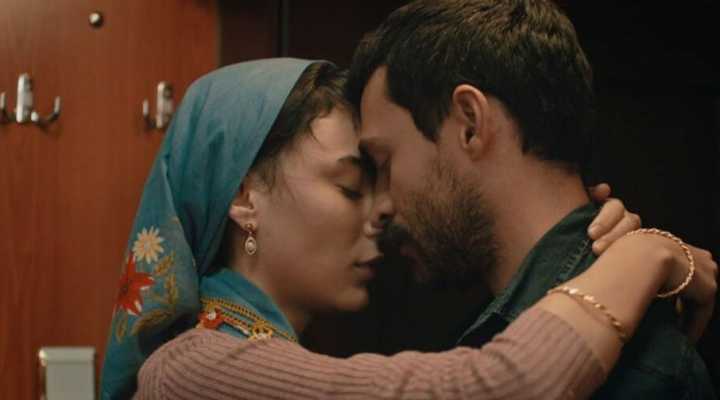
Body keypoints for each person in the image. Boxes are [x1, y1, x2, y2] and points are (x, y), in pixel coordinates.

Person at [98, 58, 717, 400]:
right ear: (244, 196)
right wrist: (642, 256)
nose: (382, 214)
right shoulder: (195, 371)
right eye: (350, 187)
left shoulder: (265, 357)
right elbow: (501, 389)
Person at [344, 0, 717, 398]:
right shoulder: (491, 328)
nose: (380, 206)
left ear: (470, 124)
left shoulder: (639, 375)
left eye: (383, 163)